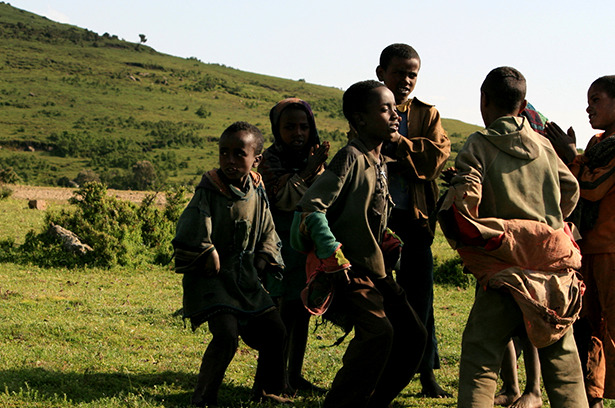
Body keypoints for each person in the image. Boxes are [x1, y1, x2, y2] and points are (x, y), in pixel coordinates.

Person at [438, 67, 588, 408]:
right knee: (563, 363)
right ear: (522, 107)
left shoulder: (479, 145)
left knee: (481, 356)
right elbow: (571, 189)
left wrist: (473, 214)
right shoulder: (545, 146)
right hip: (552, 279)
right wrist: (548, 221)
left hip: (505, 274)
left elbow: (466, 201)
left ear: (484, 101)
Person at [291, 80, 427, 408]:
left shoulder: (379, 158)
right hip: (350, 270)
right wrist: (331, 251)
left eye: (396, 108)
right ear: (360, 119)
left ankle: (373, 401)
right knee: (379, 333)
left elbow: (364, 213)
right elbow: (311, 208)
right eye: (385, 109)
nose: (395, 115)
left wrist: (384, 238)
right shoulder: (350, 157)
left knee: (413, 335)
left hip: (376, 268)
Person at [544, 75, 615, 408]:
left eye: (596, 100)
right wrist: (572, 157)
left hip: (611, 249)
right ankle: (592, 394)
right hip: (585, 250)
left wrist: (571, 156)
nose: (588, 107)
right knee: (586, 323)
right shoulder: (598, 144)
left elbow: (592, 188)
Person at [172, 121, 291, 406]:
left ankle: (265, 390)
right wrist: (206, 249)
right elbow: (191, 226)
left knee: (276, 331)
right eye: (224, 153)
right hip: (214, 280)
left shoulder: (257, 189)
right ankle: (203, 397)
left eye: (239, 154)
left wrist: (265, 253)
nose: (230, 160)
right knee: (226, 335)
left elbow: (268, 228)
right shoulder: (210, 188)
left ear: (256, 159)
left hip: (247, 279)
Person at [373, 43, 452, 398]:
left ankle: (424, 373)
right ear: (381, 74)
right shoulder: (369, 107)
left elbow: (435, 159)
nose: (406, 80)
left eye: (412, 74)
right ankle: (385, 367)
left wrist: (399, 144)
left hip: (417, 220)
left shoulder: (427, 114)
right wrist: (408, 155)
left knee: (421, 301)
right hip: (380, 222)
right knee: (383, 298)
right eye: (398, 73)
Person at [258, 98, 330, 394]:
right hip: (280, 243)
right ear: (277, 129)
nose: (298, 133)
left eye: (304, 126)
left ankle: (294, 374)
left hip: (306, 244)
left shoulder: (315, 159)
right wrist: (309, 171)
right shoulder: (270, 160)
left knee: (302, 311)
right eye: (289, 127)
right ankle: (277, 379)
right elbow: (285, 198)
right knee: (281, 313)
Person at [493, 103, 549, 408]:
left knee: (528, 323)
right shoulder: (501, 150)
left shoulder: (539, 154)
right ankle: (513, 387)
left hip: (527, 251)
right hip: (505, 247)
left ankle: (532, 390)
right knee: (504, 322)